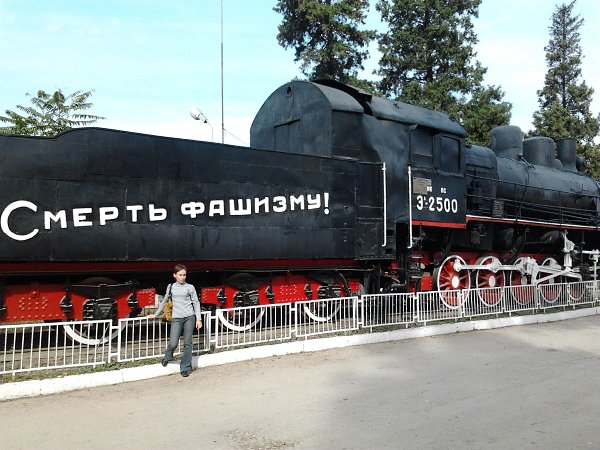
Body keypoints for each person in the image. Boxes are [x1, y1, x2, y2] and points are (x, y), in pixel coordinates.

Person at [149, 264, 203, 377]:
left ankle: (185, 367)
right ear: (175, 275)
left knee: (187, 343)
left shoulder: (190, 287)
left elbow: (196, 302)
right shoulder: (171, 287)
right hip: (177, 318)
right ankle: (168, 356)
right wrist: (156, 314)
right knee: (173, 342)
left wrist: (198, 319)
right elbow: (164, 301)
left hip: (189, 317)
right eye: (180, 275)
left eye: (184, 275)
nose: (182, 277)